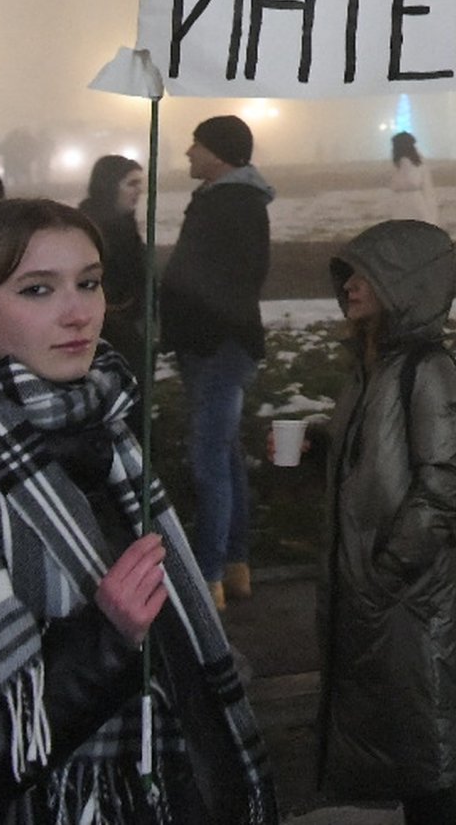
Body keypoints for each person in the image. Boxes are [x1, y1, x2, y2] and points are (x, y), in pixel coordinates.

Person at [0, 197, 275, 823]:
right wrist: (102, 646)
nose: (78, 313)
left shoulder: (113, 452)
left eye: (90, 283)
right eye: (38, 290)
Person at [314, 220, 456, 825]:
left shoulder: (424, 369)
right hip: (374, 591)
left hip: (403, 595)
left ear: (401, 285)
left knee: (424, 759)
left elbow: (446, 480)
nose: (350, 286)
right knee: (408, 753)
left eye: (364, 274)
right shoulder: (372, 365)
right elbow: (374, 462)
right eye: (348, 274)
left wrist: (386, 572)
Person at [157, 114, 273, 611]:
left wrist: (195, 327)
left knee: (208, 461)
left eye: (196, 145)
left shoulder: (230, 204)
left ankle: (207, 580)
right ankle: (234, 565)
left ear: (220, 153)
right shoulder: (225, 200)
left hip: (217, 347)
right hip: (215, 344)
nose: (187, 153)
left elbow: (222, 278)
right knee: (223, 457)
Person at [77, 156, 150, 375]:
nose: (139, 191)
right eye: (131, 184)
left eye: (140, 184)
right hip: (104, 329)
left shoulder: (125, 224)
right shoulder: (88, 226)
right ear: (108, 186)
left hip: (129, 321)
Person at [387, 131, 439, 226]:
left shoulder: (408, 163)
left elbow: (401, 184)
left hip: (410, 202)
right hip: (409, 201)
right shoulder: (416, 162)